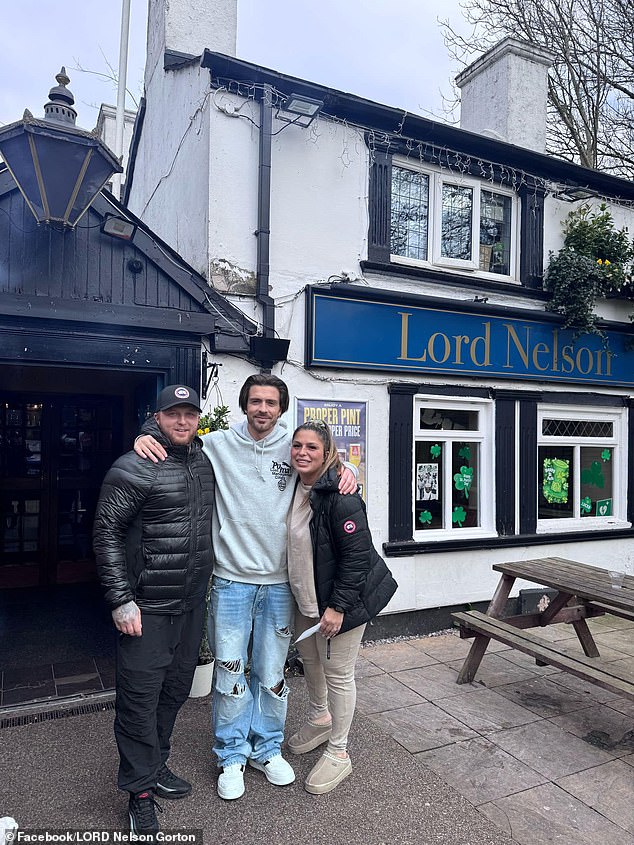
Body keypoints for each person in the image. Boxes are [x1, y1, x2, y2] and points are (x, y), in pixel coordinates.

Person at [133, 374, 357, 801]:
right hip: (231, 582)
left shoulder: (294, 446)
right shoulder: (215, 444)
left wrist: (346, 470)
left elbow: (324, 460)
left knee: (272, 676)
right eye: (255, 401)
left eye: (271, 402)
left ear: (282, 408)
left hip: (279, 585)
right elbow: (176, 430)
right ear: (244, 405)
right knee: (231, 674)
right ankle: (232, 754)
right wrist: (144, 433)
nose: (263, 410)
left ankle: (267, 748)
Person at [93, 385, 215, 834]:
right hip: (146, 608)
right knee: (139, 702)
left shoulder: (203, 461)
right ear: (156, 417)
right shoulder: (134, 466)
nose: (182, 421)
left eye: (189, 414)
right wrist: (121, 599)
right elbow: (106, 534)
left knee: (174, 692)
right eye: (172, 414)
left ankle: (155, 765)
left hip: (189, 607)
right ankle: (139, 794)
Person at [286, 419, 398, 794]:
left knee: (338, 674)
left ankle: (339, 752)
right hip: (305, 598)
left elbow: (356, 558)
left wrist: (337, 608)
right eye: (297, 445)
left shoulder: (340, 494)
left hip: (338, 603)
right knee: (311, 662)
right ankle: (320, 718)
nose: (302, 453)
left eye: (312, 448)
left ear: (327, 451)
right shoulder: (294, 485)